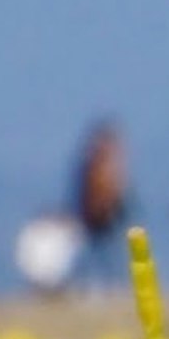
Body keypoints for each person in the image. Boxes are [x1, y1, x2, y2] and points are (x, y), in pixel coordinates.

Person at [67, 119, 129, 289]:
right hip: (94, 218)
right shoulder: (93, 166)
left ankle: (112, 284)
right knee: (95, 255)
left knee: (107, 255)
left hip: (108, 218)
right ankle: (86, 285)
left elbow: (119, 195)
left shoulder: (110, 167)